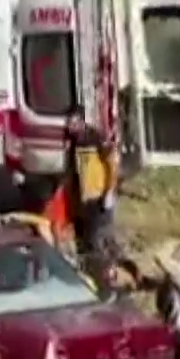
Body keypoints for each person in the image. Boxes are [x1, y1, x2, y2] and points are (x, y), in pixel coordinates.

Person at [63, 108, 120, 283]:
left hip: (98, 198)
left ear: (81, 121)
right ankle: (91, 275)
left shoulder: (95, 137)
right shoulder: (73, 143)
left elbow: (111, 163)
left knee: (99, 238)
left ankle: (107, 276)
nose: (69, 126)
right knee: (85, 241)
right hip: (83, 200)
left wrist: (109, 191)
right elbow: (74, 173)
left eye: (72, 123)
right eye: (68, 123)